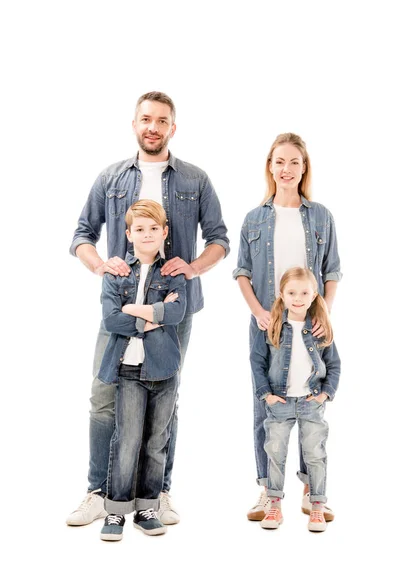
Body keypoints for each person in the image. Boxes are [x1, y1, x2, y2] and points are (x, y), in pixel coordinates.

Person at [67, 91, 229, 527]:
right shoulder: (111, 178)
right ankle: (98, 492)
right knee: (103, 398)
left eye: (161, 120)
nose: (153, 126)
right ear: (134, 124)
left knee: (165, 399)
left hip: (174, 309)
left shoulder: (195, 179)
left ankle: (158, 493)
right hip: (120, 307)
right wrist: (100, 263)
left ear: (172, 128)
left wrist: (192, 267)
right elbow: (82, 234)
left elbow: (219, 240)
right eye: (145, 119)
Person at [233, 133, 341, 522]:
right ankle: (268, 489)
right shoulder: (255, 218)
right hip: (269, 323)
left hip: (311, 323)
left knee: (311, 399)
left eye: (294, 161)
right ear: (270, 166)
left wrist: (323, 314)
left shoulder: (321, 216)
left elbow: (332, 271)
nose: (286, 169)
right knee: (267, 401)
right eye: (279, 161)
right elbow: (242, 272)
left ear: (304, 167)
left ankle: (314, 489)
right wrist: (260, 311)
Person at [98, 200, 186, 540]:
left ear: (164, 232)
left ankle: (147, 506)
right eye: (139, 229)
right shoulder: (116, 272)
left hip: (163, 370)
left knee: (155, 441)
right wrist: (153, 316)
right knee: (126, 439)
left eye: (153, 229)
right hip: (128, 369)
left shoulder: (175, 272)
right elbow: (111, 318)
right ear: (128, 233)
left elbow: (178, 313)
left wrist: (133, 310)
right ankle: (116, 510)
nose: (146, 235)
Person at [250, 267, 340, 531]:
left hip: (311, 403)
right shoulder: (272, 327)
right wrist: (266, 394)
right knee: (275, 453)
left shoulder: (320, 329)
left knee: (315, 454)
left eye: (304, 293)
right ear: (281, 294)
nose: (297, 298)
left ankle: (317, 506)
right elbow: (257, 362)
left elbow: (334, 364)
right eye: (291, 292)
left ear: (314, 296)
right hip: (280, 403)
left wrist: (326, 393)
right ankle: (274, 506)